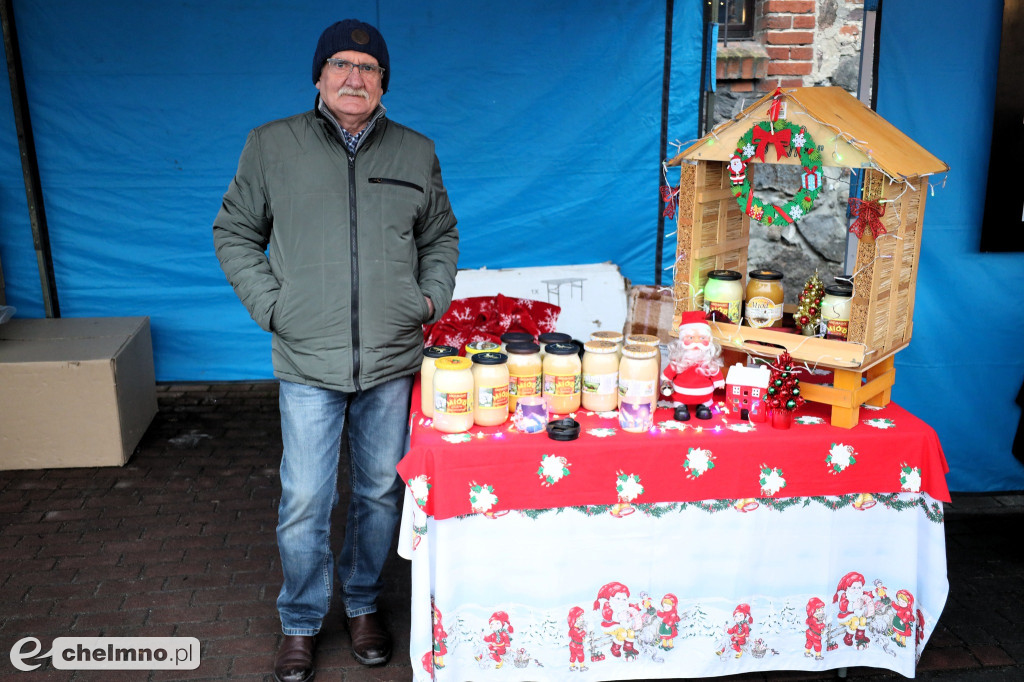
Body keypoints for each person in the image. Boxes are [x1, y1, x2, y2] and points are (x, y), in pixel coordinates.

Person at [212, 18, 459, 682]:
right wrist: (272, 306)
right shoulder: (272, 147)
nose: (355, 77)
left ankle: (361, 605)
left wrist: (427, 300)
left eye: (368, 67)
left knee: (379, 492)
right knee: (306, 498)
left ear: (384, 82)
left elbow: (440, 236)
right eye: (342, 65)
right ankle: (299, 621)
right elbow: (234, 232)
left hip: (390, 356)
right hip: (307, 357)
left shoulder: (415, 151)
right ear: (319, 76)